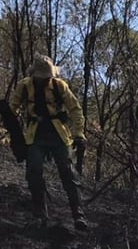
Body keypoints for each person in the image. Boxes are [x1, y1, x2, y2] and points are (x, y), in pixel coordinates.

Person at [8, 54, 88, 230]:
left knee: (68, 172)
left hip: (59, 134)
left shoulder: (60, 86)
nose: (45, 80)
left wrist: (78, 134)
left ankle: (78, 216)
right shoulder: (24, 85)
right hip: (35, 134)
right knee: (34, 171)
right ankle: (40, 214)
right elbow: (11, 108)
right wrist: (9, 130)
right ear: (34, 75)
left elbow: (75, 109)